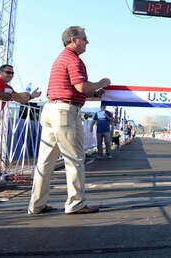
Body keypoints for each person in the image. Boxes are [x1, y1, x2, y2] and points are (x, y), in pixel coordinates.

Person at [28, 26, 111, 215]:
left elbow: (71, 90)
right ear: (74, 40)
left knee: (45, 162)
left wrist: (94, 92)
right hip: (65, 112)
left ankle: (36, 204)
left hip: (51, 109)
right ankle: (76, 203)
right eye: (84, 38)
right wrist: (101, 83)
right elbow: (81, 87)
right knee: (74, 159)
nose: (87, 42)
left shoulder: (61, 58)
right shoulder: (74, 60)